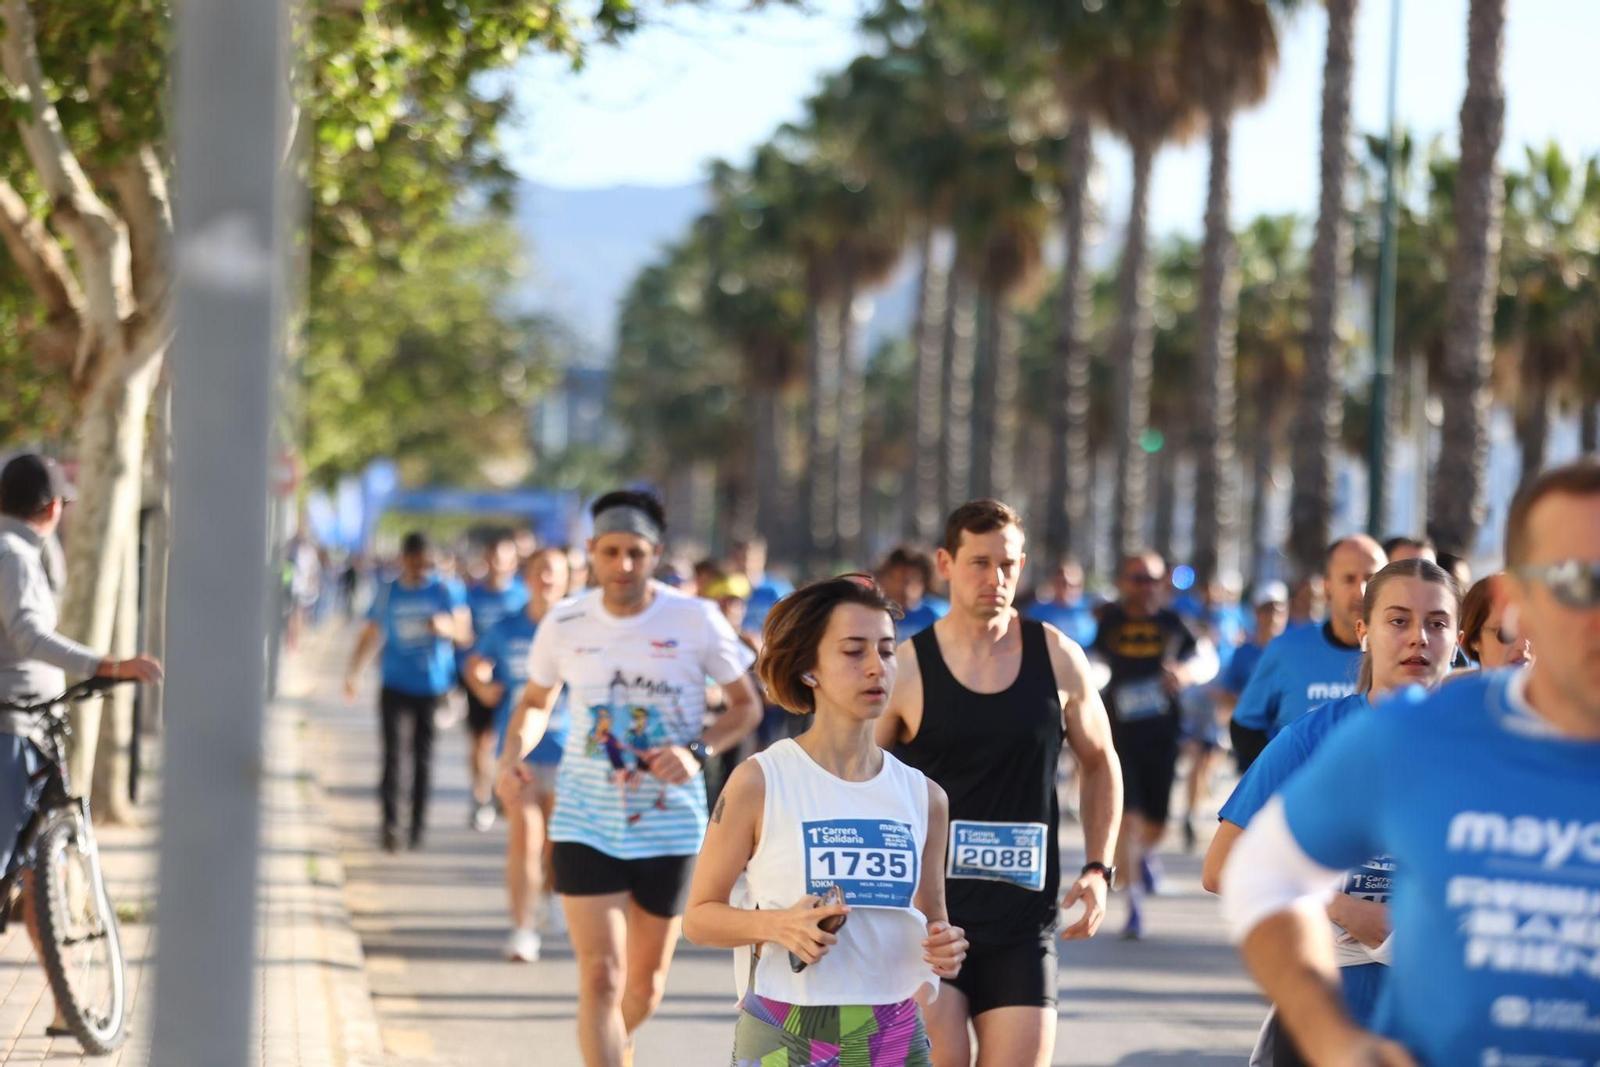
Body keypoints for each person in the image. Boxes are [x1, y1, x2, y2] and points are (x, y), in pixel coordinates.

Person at [1222, 460, 1600, 1065]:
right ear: (1513, 601)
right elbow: (1254, 871)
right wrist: (1329, 1037)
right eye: (1575, 581)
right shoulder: (1412, 736)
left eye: (1434, 623)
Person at [496, 490, 763, 1067]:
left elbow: (747, 706)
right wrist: (513, 754)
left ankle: (615, 1047)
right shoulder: (565, 622)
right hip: (585, 821)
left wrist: (698, 749)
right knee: (601, 975)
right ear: (590, 552)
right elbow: (536, 702)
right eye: (610, 552)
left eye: (635, 554)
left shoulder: (695, 619)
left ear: (655, 553)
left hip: (669, 825)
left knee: (644, 987)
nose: (622, 566)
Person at [685, 574, 969, 1066]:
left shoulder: (926, 797)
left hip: (893, 1037)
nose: (876, 668)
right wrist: (779, 926)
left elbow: (933, 920)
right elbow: (698, 919)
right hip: (785, 1032)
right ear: (810, 669)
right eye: (853, 651)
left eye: (886, 650)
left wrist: (946, 944)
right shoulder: (760, 781)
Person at [876, 500, 1122, 1067]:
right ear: (946, 562)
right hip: (929, 923)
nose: (996, 579)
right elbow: (856, 777)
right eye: (980, 563)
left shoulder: (1057, 656)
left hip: (1023, 922)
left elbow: (1100, 761)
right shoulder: (909, 668)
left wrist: (1098, 869)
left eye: (1008, 565)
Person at [1203, 559, 1461, 1064]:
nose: (1418, 638)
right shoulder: (1312, 738)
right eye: (1398, 620)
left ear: (1458, 639)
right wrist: (1344, 909)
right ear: (1363, 632)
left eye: (1436, 623)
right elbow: (1222, 867)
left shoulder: (1488, 750)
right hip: (1329, 1012)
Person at [0, 454, 163, 1037]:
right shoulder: (14, 555)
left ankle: (67, 1006)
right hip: (11, 730)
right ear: (53, 507)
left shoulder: (23, 553)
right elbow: (28, 633)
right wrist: (107, 664)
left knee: (43, 874)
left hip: (30, 727)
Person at [1090, 550, 1214, 938]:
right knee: (1127, 819)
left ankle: (1143, 859)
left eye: (1150, 579)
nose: (1143, 586)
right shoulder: (1109, 620)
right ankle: (1135, 907)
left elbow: (1205, 658)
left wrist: (1185, 673)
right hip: (1118, 735)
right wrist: (1095, 680)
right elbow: (1092, 659)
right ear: (1123, 582)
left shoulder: (1172, 622)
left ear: (1161, 584)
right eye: (1135, 578)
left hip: (1162, 735)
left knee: (1158, 824)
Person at [465, 546, 571, 962]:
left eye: (555, 572)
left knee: (556, 844)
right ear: (527, 577)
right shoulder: (508, 626)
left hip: (568, 755)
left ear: (566, 580)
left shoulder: (577, 631)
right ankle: (523, 929)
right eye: (540, 570)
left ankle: (552, 895)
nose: (546, 578)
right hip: (521, 752)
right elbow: (476, 661)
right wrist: (480, 684)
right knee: (525, 840)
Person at [344, 531, 471, 852]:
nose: (422, 569)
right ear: (404, 559)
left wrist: (448, 629)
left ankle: (416, 825)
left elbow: (466, 634)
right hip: (394, 684)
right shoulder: (388, 593)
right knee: (392, 757)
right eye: (416, 562)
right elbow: (370, 632)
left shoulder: (446, 589)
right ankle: (390, 825)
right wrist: (353, 672)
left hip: (432, 688)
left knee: (423, 760)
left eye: (427, 563)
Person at [1229, 535, 1387, 770]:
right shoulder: (1287, 650)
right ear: (1327, 586)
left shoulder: (1406, 655)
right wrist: (1284, 779)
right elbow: (1244, 727)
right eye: (1349, 579)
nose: (1361, 592)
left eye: (1371, 579)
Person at [463, 532, 530, 831]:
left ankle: (504, 789)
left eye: (504, 558)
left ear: (514, 562)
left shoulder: (523, 596)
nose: (498, 564)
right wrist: (478, 676)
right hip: (480, 681)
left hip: (515, 684)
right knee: (481, 743)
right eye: (493, 557)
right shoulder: (473, 596)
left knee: (510, 742)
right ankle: (481, 797)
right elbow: (465, 636)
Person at [1214, 582, 1290, 770]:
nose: (1273, 617)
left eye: (1279, 611)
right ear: (1256, 612)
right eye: (1267, 610)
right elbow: (1227, 696)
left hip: (1286, 744)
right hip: (1251, 743)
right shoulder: (1243, 652)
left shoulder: (1294, 651)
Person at [1457, 572, 1535, 669]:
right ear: (1474, 640)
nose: (1523, 646)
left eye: (1531, 631)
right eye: (1506, 633)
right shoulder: (1452, 683)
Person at [1022, 557, 1098, 649]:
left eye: (1072, 585)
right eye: (1062, 583)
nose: (1066, 589)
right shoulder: (1037, 612)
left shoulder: (1091, 610)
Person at [880, 545, 947, 643]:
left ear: (924, 581)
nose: (901, 588)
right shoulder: (879, 617)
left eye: (908, 581)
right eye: (896, 580)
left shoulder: (937, 616)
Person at [730, 536, 793, 637]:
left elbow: (790, 623)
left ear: (762, 559)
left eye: (751, 559)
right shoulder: (728, 590)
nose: (746, 564)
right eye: (741, 558)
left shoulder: (776, 590)